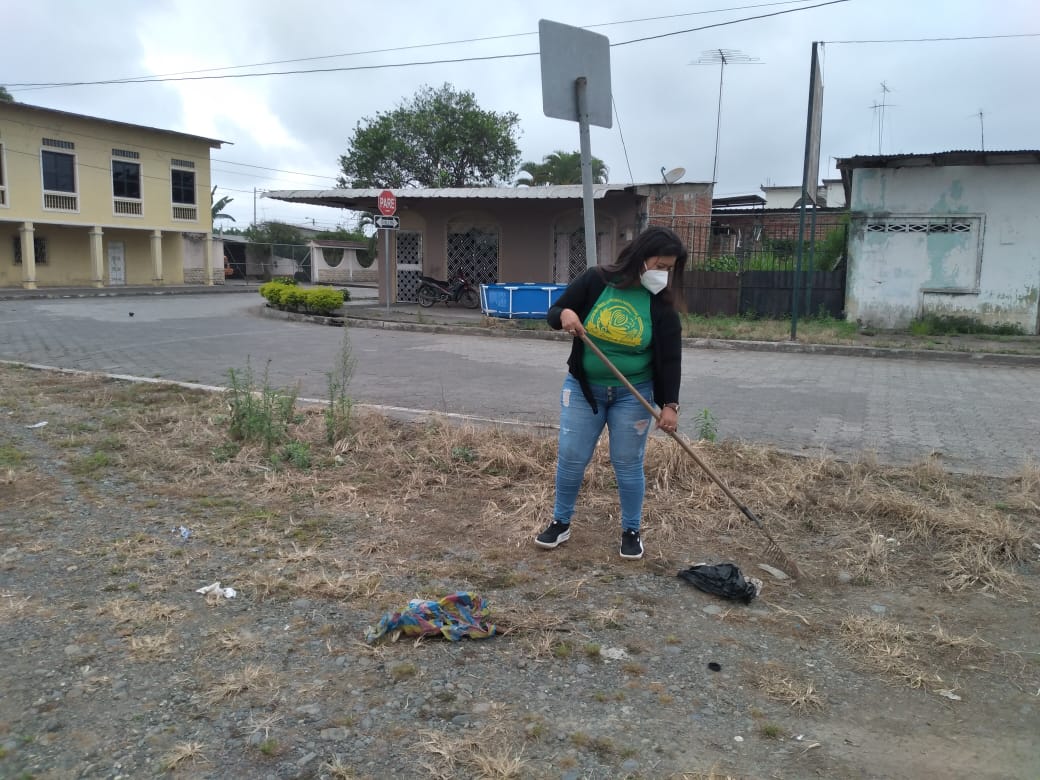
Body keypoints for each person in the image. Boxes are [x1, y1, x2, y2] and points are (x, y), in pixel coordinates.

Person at [536, 226, 688, 560]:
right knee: (572, 456)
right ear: (641, 257)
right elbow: (554, 313)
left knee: (628, 462)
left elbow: (670, 359)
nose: (663, 274)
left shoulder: (661, 304)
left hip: (633, 395)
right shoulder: (597, 280)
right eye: (660, 265)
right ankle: (561, 522)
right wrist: (565, 314)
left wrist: (670, 405)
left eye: (669, 269)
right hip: (583, 390)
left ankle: (631, 531)